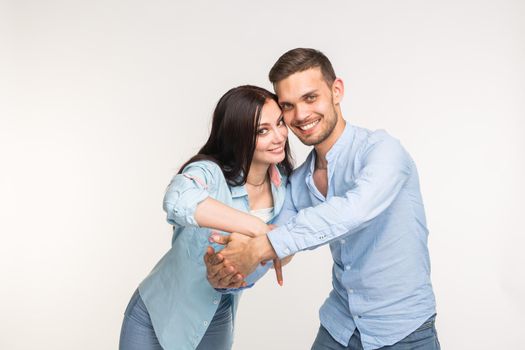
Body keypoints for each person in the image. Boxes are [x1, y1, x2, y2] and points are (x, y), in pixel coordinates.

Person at [206, 48, 440, 350]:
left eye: (310, 98)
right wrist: (228, 274)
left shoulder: (383, 152)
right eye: (288, 106)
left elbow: (351, 211)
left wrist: (262, 246)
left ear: (336, 91)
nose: (301, 115)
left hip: (403, 331)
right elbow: (273, 241)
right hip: (339, 327)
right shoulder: (300, 182)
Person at [119, 85, 293, 350]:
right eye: (262, 130)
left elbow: (287, 246)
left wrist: (268, 251)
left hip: (215, 317)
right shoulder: (208, 174)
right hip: (155, 313)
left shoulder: (284, 187)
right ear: (238, 136)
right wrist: (258, 227)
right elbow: (176, 201)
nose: (279, 136)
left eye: (280, 123)